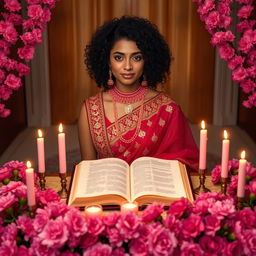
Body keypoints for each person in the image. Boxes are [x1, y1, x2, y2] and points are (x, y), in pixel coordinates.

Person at [78, 16, 199, 171]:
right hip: (108, 191)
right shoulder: (90, 109)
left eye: (136, 57)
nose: (127, 66)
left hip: (154, 191)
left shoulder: (167, 108)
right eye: (119, 57)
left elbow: (184, 163)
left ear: (146, 60)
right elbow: (88, 172)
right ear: (108, 61)